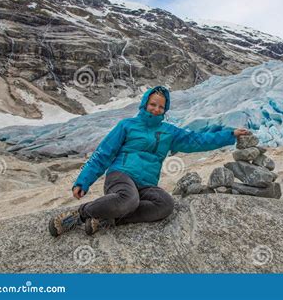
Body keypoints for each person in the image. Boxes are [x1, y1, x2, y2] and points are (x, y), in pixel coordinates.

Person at [49, 85, 250, 236]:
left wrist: (229, 134)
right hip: (121, 176)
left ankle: (108, 219)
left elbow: (197, 140)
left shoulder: (169, 132)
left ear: (165, 110)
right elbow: (103, 153)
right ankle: (80, 214)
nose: (155, 109)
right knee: (129, 199)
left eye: (161, 107)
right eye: (152, 104)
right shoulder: (127, 125)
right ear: (145, 104)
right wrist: (83, 181)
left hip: (145, 184)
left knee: (165, 204)